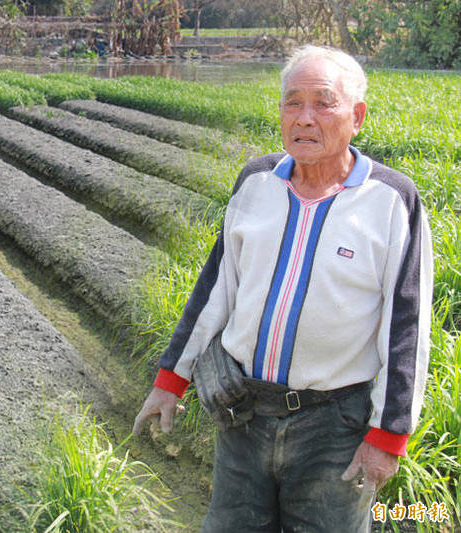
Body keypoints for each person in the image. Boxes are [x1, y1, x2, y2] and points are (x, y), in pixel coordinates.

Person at [133, 45, 433, 532]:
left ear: (356, 116)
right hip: (243, 416)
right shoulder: (255, 183)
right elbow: (215, 290)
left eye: (323, 102)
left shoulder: (391, 200)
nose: (305, 118)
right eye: (292, 103)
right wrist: (171, 381)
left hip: (334, 428)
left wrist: (388, 436)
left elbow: (408, 327)